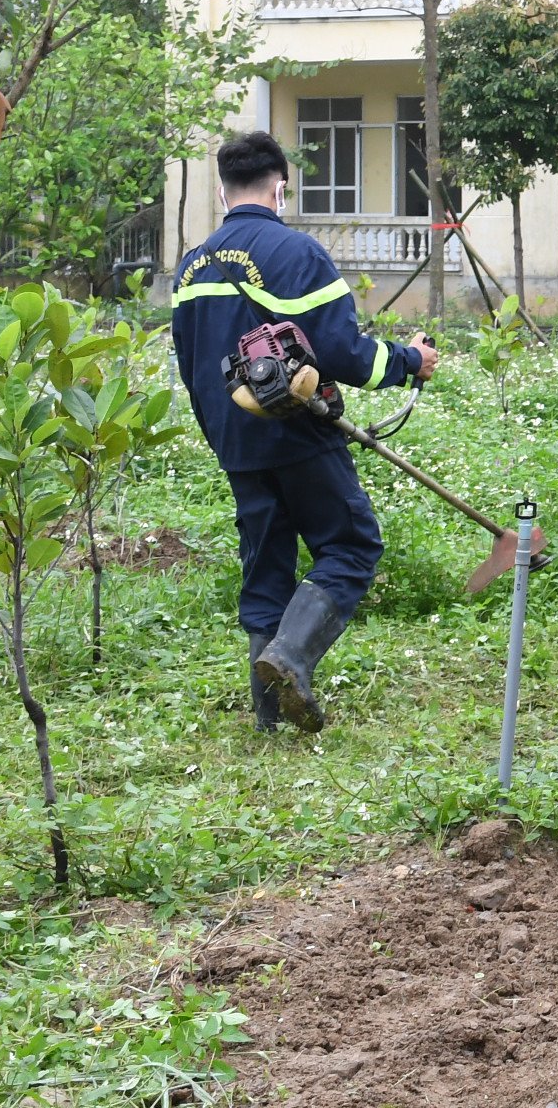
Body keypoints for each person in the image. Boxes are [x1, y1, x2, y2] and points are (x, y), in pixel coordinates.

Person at [171, 131, 438, 734]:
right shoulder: (294, 253)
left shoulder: (191, 266)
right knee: (350, 546)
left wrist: (223, 436)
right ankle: (290, 658)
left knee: (265, 566)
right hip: (299, 433)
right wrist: (407, 361)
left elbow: (189, 366)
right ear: (281, 185)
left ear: (222, 188)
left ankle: (268, 716)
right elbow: (341, 350)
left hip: (235, 441)